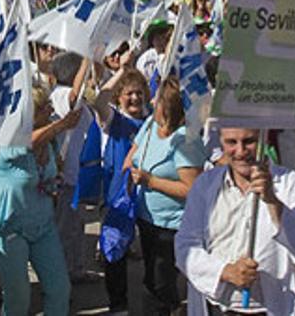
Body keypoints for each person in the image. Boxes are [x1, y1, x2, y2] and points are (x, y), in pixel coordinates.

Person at [174, 126, 295, 315]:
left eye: (249, 141)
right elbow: (185, 246)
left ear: (264, 140)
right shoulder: (205, 184)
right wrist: (224, 272)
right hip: (216, 306)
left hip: (270, 307)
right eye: (231, 142)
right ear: (221, 143)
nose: (240, 151)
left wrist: (273, 202)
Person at [0, 81, 79, 316]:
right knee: (18, 297)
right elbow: (30, 141)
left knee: (59, 288)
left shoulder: (51, 142)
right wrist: (62, 125)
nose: (50, 110)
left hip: (41, 225)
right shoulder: (7, 139)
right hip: (9, 228)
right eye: (43, 108)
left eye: (49, 105)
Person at [126, 76, 206, 315]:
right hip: (146, 218)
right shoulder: (151, 124)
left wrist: (151, 181)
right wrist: (126, 172)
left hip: (170, 226)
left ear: (168, 107)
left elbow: (192, 189)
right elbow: (135, 151)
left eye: (157, 99)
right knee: (151, 275)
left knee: (161, 282)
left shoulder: (185, 140)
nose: (151, 101)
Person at [90, 60, 147, 314]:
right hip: (118, 196)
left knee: (153, 250)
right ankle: (118, 305)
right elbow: (98, 100)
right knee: (115, 253)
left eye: (139, 92)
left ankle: (157, 300)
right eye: (129, 93)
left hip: (149, 195)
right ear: (120, 97)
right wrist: (122, 71)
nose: (135, 98)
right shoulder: (113, 120)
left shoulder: (153, 119)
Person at [48, 52, 94, 283]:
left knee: (75, 226)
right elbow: (73, 99)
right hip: (66, 174)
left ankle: (76, 270)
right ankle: (62, 277)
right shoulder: (61, 95)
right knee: (65, 229)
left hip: (77, 173)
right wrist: (88, 58)